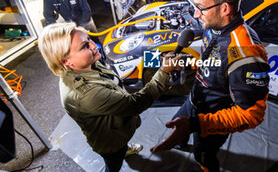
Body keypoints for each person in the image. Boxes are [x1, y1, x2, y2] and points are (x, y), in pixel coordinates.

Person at [150, 0, 270, 172]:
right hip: (195, 100)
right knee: (175, 125)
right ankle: (182, 139)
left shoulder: (247, 53)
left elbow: (252, 115)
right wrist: (186, 66)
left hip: (212, 120)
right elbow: (214, 61)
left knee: (203, 157)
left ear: (225, 8)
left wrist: (197, 124)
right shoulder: (213, 24)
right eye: (194, 6)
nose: (196, 14)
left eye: (201, 8)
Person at [38, 22, 182, 172]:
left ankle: (124, 149)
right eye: (84, 46)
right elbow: (134, 104)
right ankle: (120, 153)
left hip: (117, 129)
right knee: (113, 164)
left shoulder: (87, 63)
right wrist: (163, 72)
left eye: (89, 40)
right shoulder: (86, 94)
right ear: (66, 61)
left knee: (121, 148)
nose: (94, 46)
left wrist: (159, 60)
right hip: (111, 144)